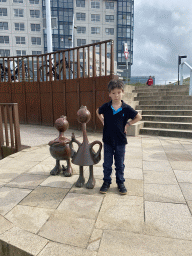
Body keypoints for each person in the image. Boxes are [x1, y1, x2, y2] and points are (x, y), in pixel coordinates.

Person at [96, 79, 142, 195]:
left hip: (121, 141)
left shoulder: (126, 108)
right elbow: (98, 111)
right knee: (107, 163)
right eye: (113, 93)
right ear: (109, 94)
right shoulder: (106, 107)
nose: (116, 95)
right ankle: (106, 182)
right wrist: (102, 119)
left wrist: (128, 124)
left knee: (119, 163)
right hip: (107, 140)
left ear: (122, 92)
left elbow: (138, 117)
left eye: (119, 92)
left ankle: (120, 182)